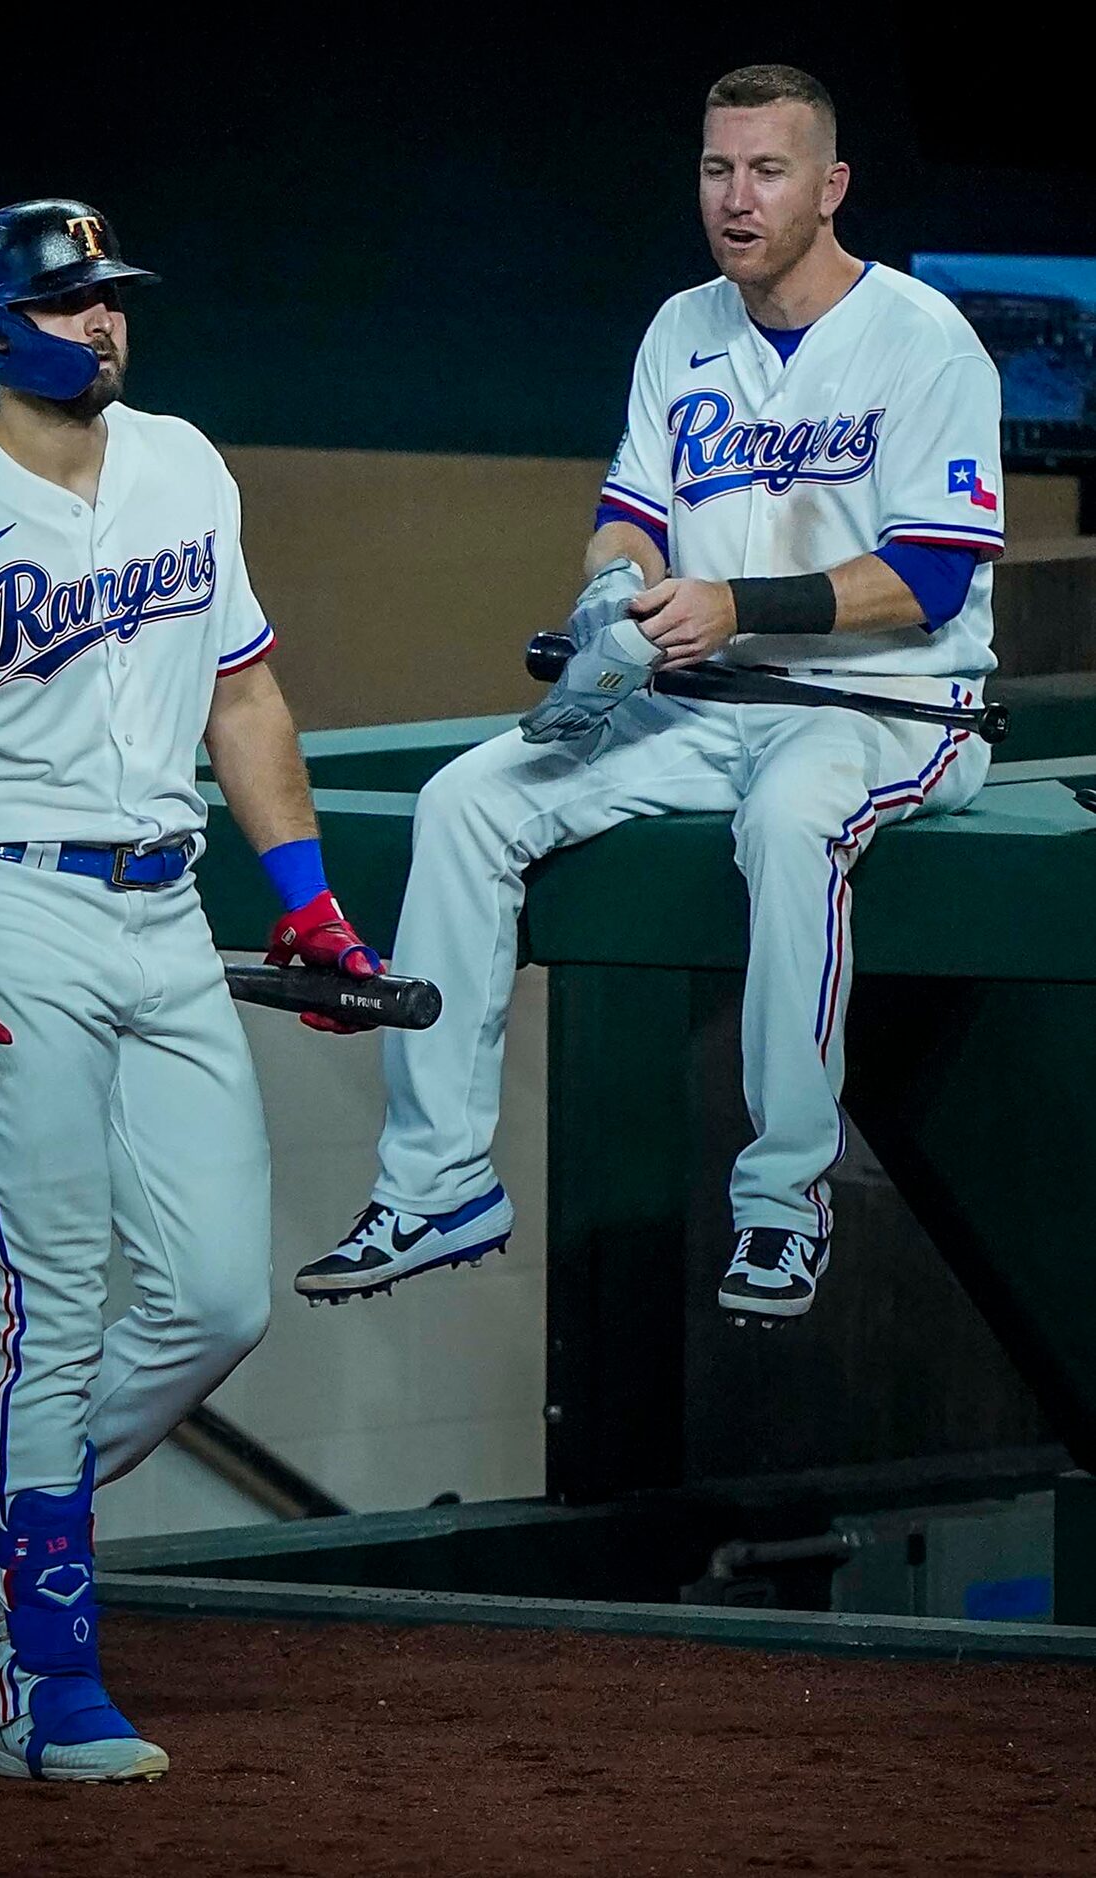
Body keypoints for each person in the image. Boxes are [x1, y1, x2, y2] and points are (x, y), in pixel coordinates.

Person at [0, 199, 378, 1783]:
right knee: (47, 1303)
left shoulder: (186, 461)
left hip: (164, 901)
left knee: (215, 1297)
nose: (102, 322)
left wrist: (307, 900)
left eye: (111, 298)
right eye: (68, 301)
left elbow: (241, 687)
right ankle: (42, 1674)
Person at [296, 64, 1002, 1326]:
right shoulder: (681, 327)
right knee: (465, 802)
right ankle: (438, 1181)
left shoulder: (921, 338)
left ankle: (784, 1204)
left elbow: (933, 576)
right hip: (698, 702)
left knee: (788, 825)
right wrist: (615, 598)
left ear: (830, 187)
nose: (735, 197)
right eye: (715, 168)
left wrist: (734, 602)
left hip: (890, 704)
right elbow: (625, 517)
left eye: (766, 170)